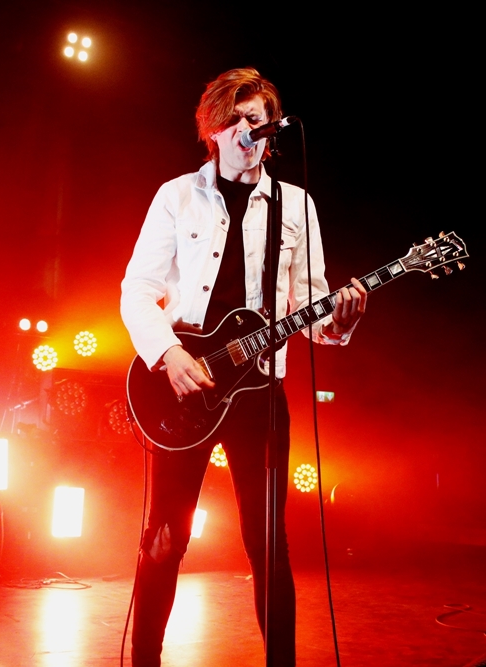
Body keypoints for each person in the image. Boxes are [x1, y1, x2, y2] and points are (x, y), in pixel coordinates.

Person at [120, 68, 367, 666]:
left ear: (272, 128)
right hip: (184, 381)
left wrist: (340, 320)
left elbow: (310, 306)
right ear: (212, 129)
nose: (245, 131)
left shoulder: (295, 204)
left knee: (268, 544)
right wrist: (168, 353)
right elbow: (137, 288)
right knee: (165, 537)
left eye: (255, 119)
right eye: (232, 120)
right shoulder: (177, 195)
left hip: (260, 394)